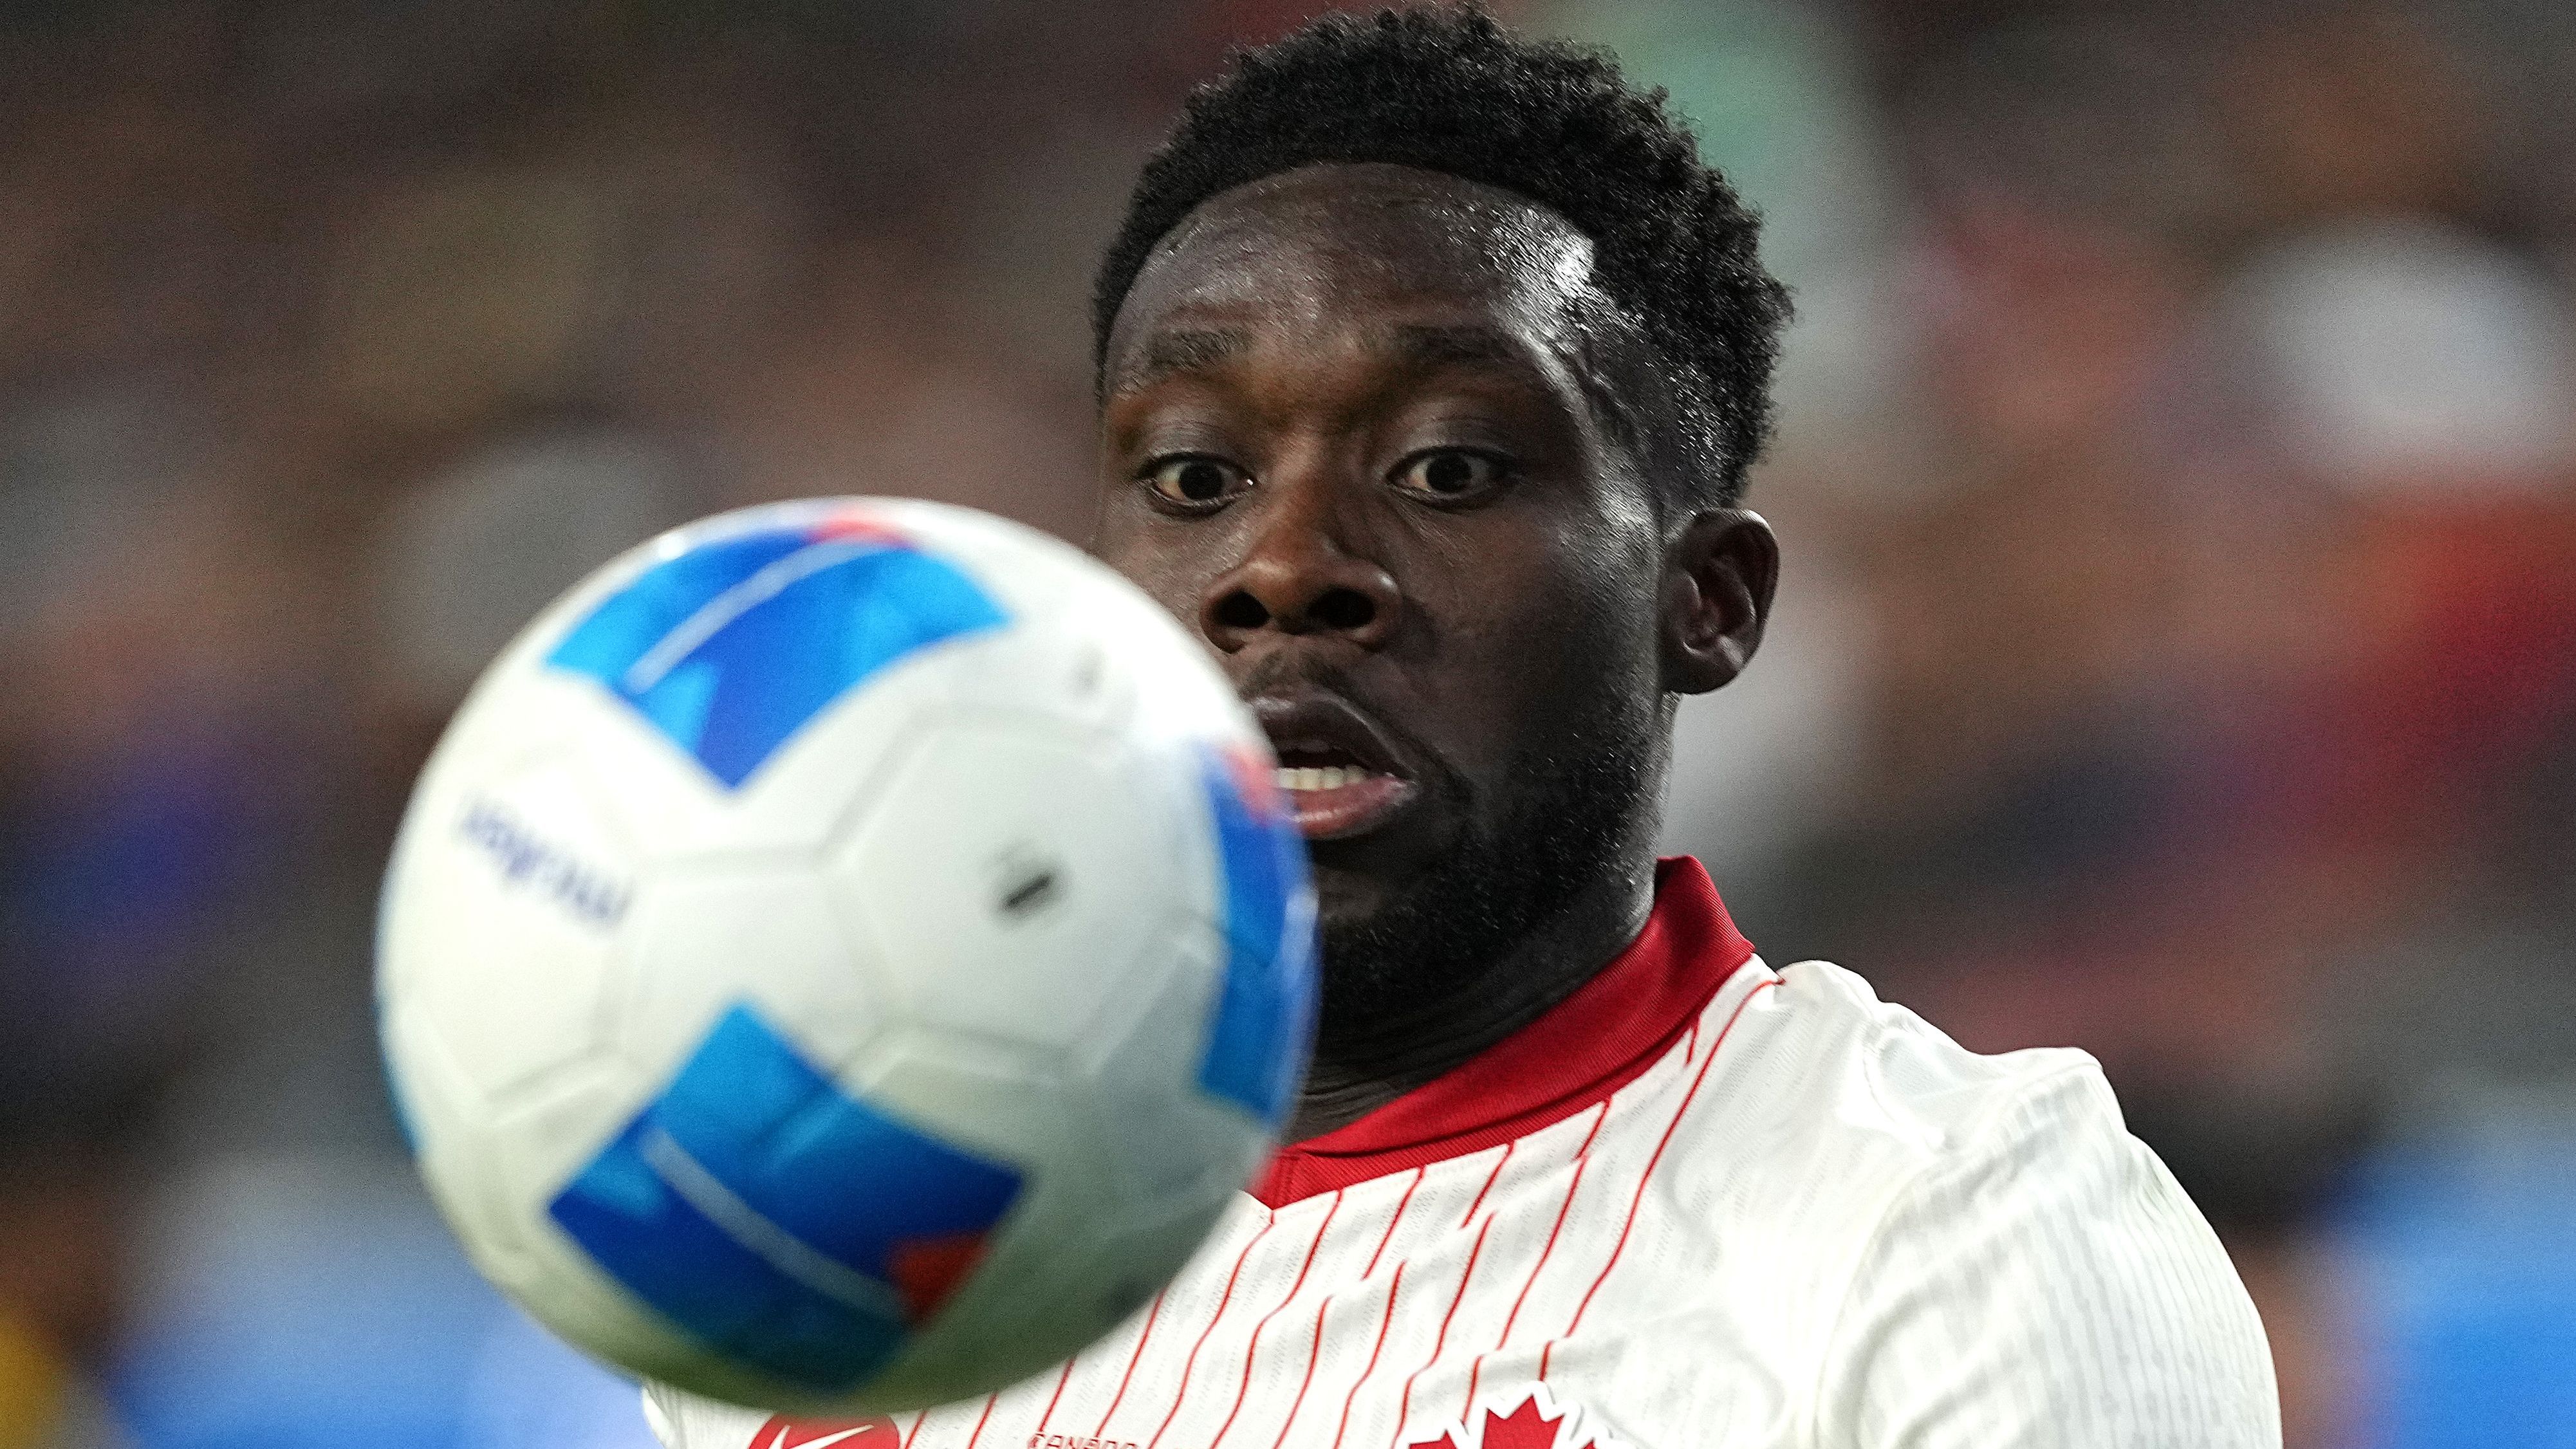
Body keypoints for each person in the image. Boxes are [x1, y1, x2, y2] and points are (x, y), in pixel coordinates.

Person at [647, 8, 2278, 1446]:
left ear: (1704, 602)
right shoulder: (828, 1238)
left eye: (1445, 467)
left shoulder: (1947, 1233)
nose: (1281, 569)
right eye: (1194, 479)